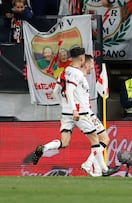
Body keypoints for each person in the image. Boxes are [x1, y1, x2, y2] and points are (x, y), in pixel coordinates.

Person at [31, 48, 110, 176]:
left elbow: (55, 91)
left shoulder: (65, 71)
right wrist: (74, 109)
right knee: (96, 139)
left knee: (64, 143)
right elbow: (69, 90)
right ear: (82, 59)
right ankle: (103, 169)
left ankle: (44, 148)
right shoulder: (76, 73)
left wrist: (65, 106)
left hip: (67, 113)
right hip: (81, 113)